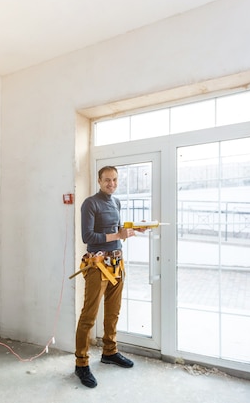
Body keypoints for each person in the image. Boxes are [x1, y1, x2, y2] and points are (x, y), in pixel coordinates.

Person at [74, 165, 143, 388]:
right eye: (107, 180)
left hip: (116, 263)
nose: (111, 184)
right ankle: (81, 364)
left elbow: (116, 228)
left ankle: (109, 352)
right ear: (99, 180)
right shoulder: (90, 203)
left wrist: (133, 229)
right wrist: (118, 234)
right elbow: (88, 236)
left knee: (113, 312)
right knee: (89, 316)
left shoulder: (116, 202)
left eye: (114, 180)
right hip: (98, 265)